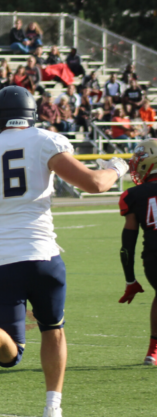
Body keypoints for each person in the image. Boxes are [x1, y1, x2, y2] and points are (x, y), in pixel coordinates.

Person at [0, 86, 129, 417]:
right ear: (31, 115)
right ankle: (53, 406)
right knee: (53, 329)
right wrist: (117, 167)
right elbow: (96, 184)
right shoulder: (44, 140)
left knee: (9, 354)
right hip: (41, 255)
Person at [119, 139, 157, 366]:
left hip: (153, 259)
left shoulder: (133, 195)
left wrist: (130, 279)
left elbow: (128, 244)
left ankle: (153, 351)